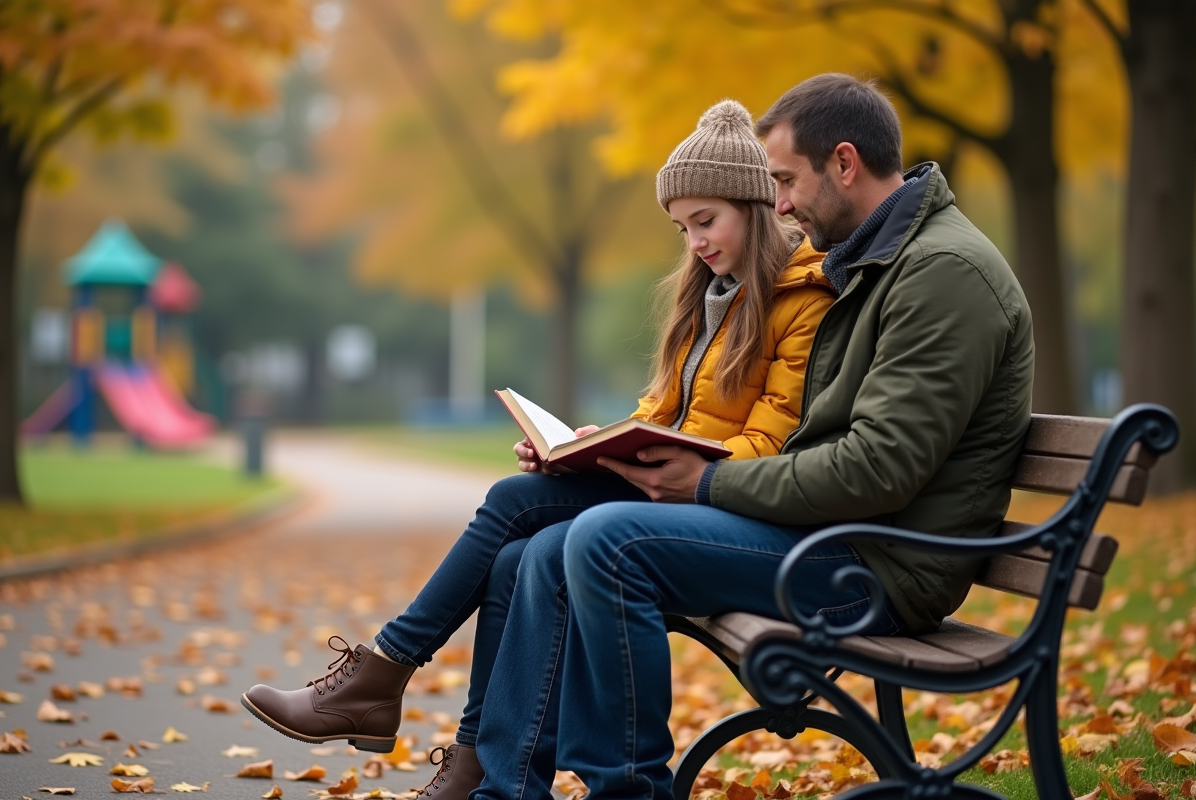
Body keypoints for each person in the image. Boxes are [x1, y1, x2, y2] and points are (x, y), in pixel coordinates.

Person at [240, 99, 836, 800]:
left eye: (706, 222)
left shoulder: (802, 298)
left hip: (721, 500)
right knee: (520, 547)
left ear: (756, 207)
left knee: (513, 505)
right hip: (671, 484)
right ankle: (478, 766)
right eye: (682, 228)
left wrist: (674, 458)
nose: (695, 243)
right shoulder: (709, 295)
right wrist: (593, 443)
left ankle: (391, 681)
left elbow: (769, 439)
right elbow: (665, 409)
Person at [469, 73, 1036, 800]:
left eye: (786, 181)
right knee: (544, 539)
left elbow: (878, 471)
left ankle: (627, 791)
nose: (781, 203)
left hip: (881, 566)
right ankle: (505, 789)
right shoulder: (882, 259)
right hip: (839, 534)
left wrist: (702, 481)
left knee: (608, 541)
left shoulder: (942, 273)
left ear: (843, 163)